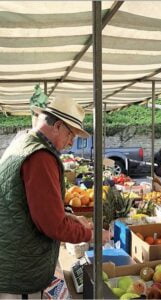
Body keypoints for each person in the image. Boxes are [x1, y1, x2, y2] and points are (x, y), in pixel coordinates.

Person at [0, 95, 93, 298]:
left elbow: (26, 205)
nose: (71, 142)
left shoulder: (23, 140)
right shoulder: (41, 157)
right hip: (20, 270)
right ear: (58, 126)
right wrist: (90, 235)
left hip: (12, 257)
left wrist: (68, 216)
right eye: (72, 134)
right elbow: (53, 225)